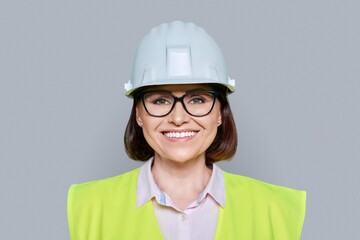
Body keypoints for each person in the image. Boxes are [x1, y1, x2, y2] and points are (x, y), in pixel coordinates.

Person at [67, 21, 306, 240]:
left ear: (220, 113)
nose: (178, 118)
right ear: (139, 114)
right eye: (160, 100)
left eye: (198, 100)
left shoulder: (278, 209)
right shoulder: (88, 206)